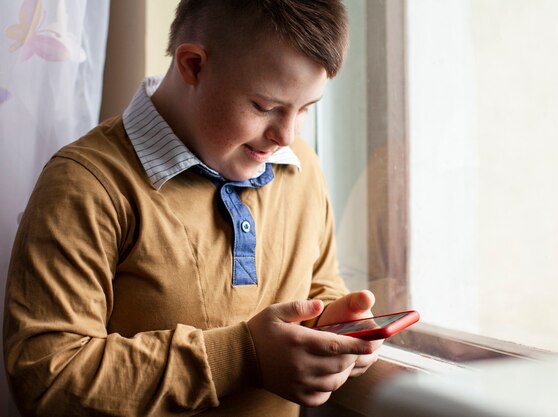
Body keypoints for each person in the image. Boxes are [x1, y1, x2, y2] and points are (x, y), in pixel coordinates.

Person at [3, 1, 383, 416]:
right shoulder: (85, 185)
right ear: (193, 65)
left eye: (306, 108)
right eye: (264, 106)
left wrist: (339, 327)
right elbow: (47, 381)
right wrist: (244, 356)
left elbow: (318, 287)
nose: (286, 135)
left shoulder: (301, 169)